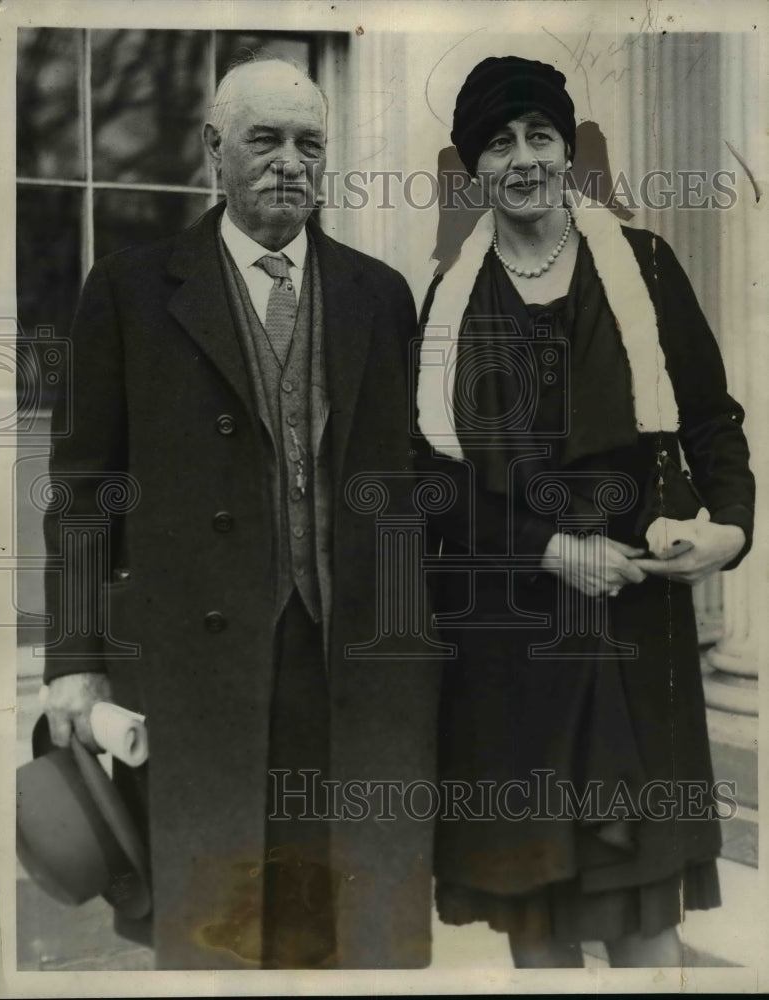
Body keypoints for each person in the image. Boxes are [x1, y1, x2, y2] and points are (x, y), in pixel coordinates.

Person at [41, 56, 440, 971]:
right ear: (212, 151)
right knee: (217, 933)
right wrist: (73, 662)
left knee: (346, 931)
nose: (289, 162)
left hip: (352, 667)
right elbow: (83, 490)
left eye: (310, 143)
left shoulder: (378, 295)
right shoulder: (131, 288)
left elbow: (413, 478)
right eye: (265, 139)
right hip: (195, 670)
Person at [415, 55, 754, 968]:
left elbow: (713, 420)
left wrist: (728, 528)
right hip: (509, 642)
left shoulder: (643, 266)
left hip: (637, 629)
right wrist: (547, 550)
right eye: (499, 143)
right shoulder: (448, 302)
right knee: (540, 912)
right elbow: (431, 487)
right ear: (471, 167)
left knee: (646, 910)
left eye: (541, 137)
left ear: (568, 150)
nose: (523, 160)